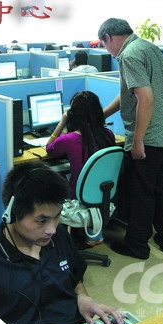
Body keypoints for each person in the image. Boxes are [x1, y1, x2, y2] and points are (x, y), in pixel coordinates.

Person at [0, 161, 124, 324]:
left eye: (57, 216)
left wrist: (83, 298)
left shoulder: (59, 237)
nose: (52, 229)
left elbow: (75, 280)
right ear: (13, 213)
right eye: (41, 221)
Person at [98, 17, 163, 260]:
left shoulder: (129, 55)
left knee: (141, 194)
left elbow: (146, 99)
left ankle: (137, 246)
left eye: (104, 45)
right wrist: (101, 115)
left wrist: (138, 139)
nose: (107, 51)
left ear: (109, 38)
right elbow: (129, 93)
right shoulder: (147, 47)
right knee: (161, 189)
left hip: (149, 136)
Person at [45, 90, 116, 246]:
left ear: (74, 114)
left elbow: (49, 148)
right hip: (103, 191)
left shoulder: (68, 139)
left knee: (54, 180)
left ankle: (61, 241)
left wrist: (62, 122)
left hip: (78, 193)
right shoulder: (108, 134)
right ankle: (93, 233)